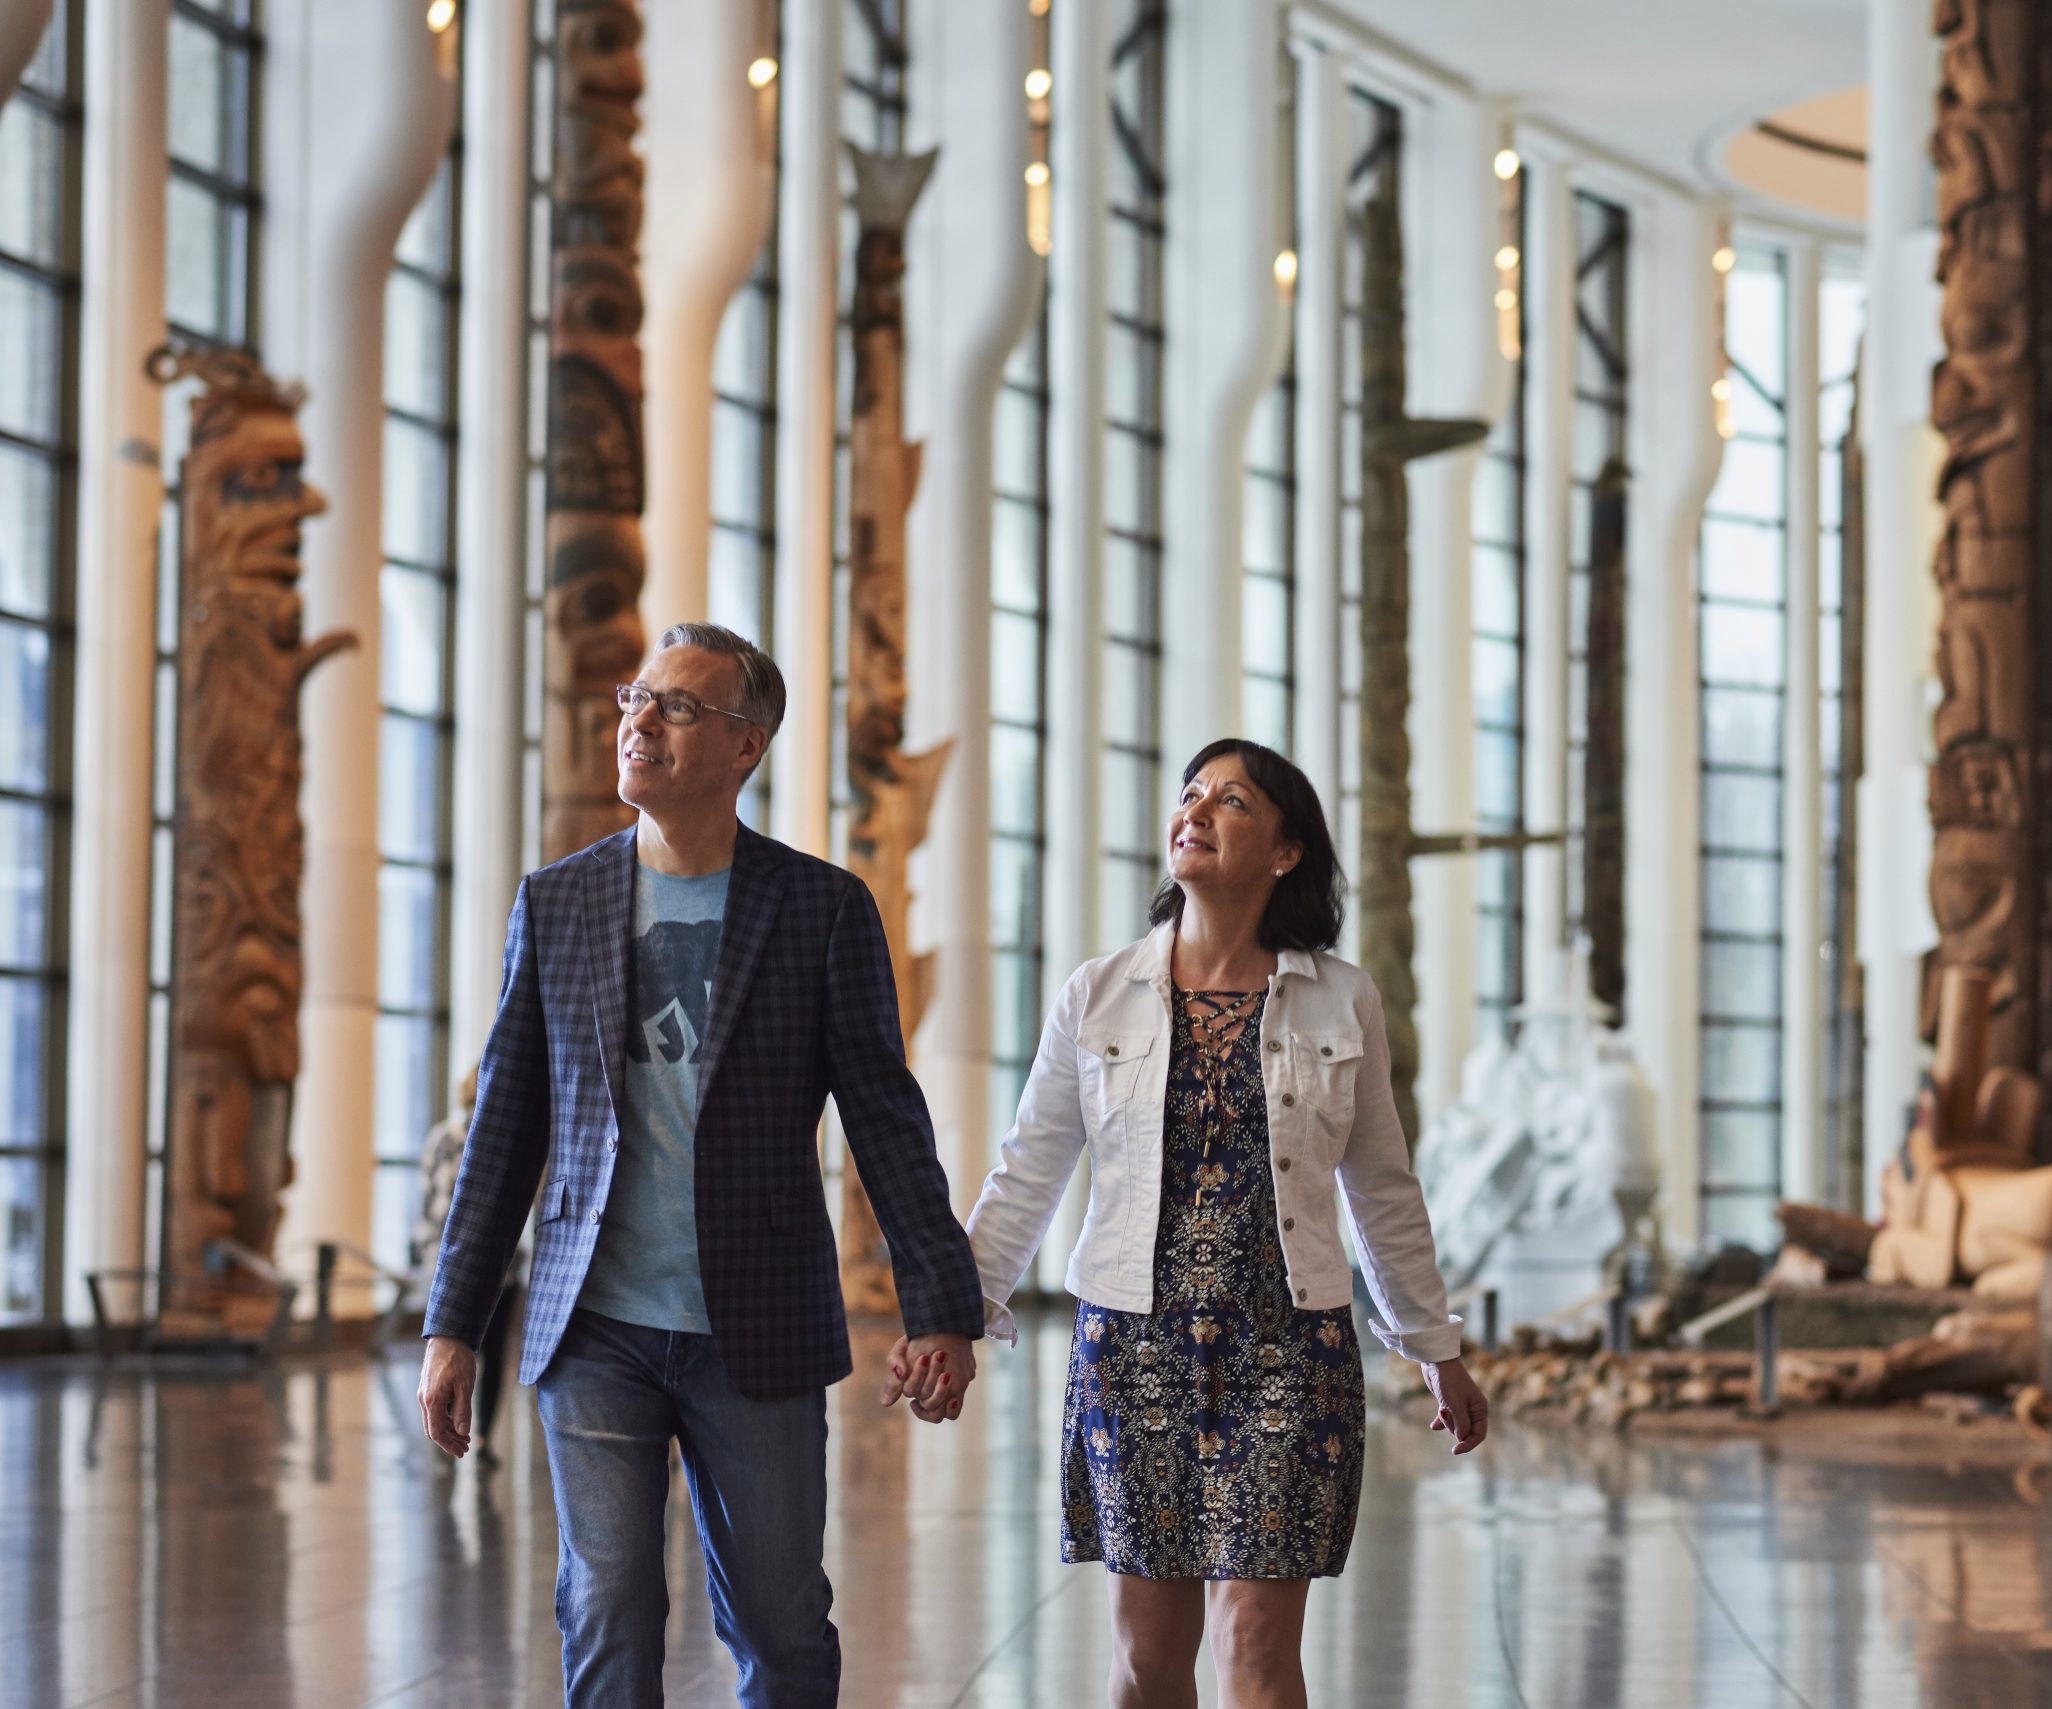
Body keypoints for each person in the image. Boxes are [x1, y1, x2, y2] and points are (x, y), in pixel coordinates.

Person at [415, 623, 982, 1709]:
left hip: (755, 1325)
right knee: (606, 1602)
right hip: (594, 1320)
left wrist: (938, 1305)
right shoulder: (558, 900)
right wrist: (455, 1322)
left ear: (745, 746)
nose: (639, 719)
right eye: (635, 697)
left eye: (677, 706)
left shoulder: (820, 909)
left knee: (777, 1623)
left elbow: (884, 1116)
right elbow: (507, 1127)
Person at [900, 737, 1491, 1709]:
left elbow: (1381, 1184)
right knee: (1147, 1660)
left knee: (1256, 1647)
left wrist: (1434, 1346)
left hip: (1290, 1352)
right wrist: (953, 1315)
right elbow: (1030, 1167)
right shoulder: (1095, 993)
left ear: (1286, 850)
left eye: (1233, 800)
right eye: (1190, 795)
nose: (1198, 811)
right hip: (1133, 1348)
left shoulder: (1341, 997)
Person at [409, 1066, 527, 1456]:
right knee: (448, 1352)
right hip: (446, 1265)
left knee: (493, 1353)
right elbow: (428, 1200)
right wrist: (427, 1252)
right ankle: (441, 1432)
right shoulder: (446, 1139)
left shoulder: (513, 1141)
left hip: (502, 1269)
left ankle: (486, 1437)